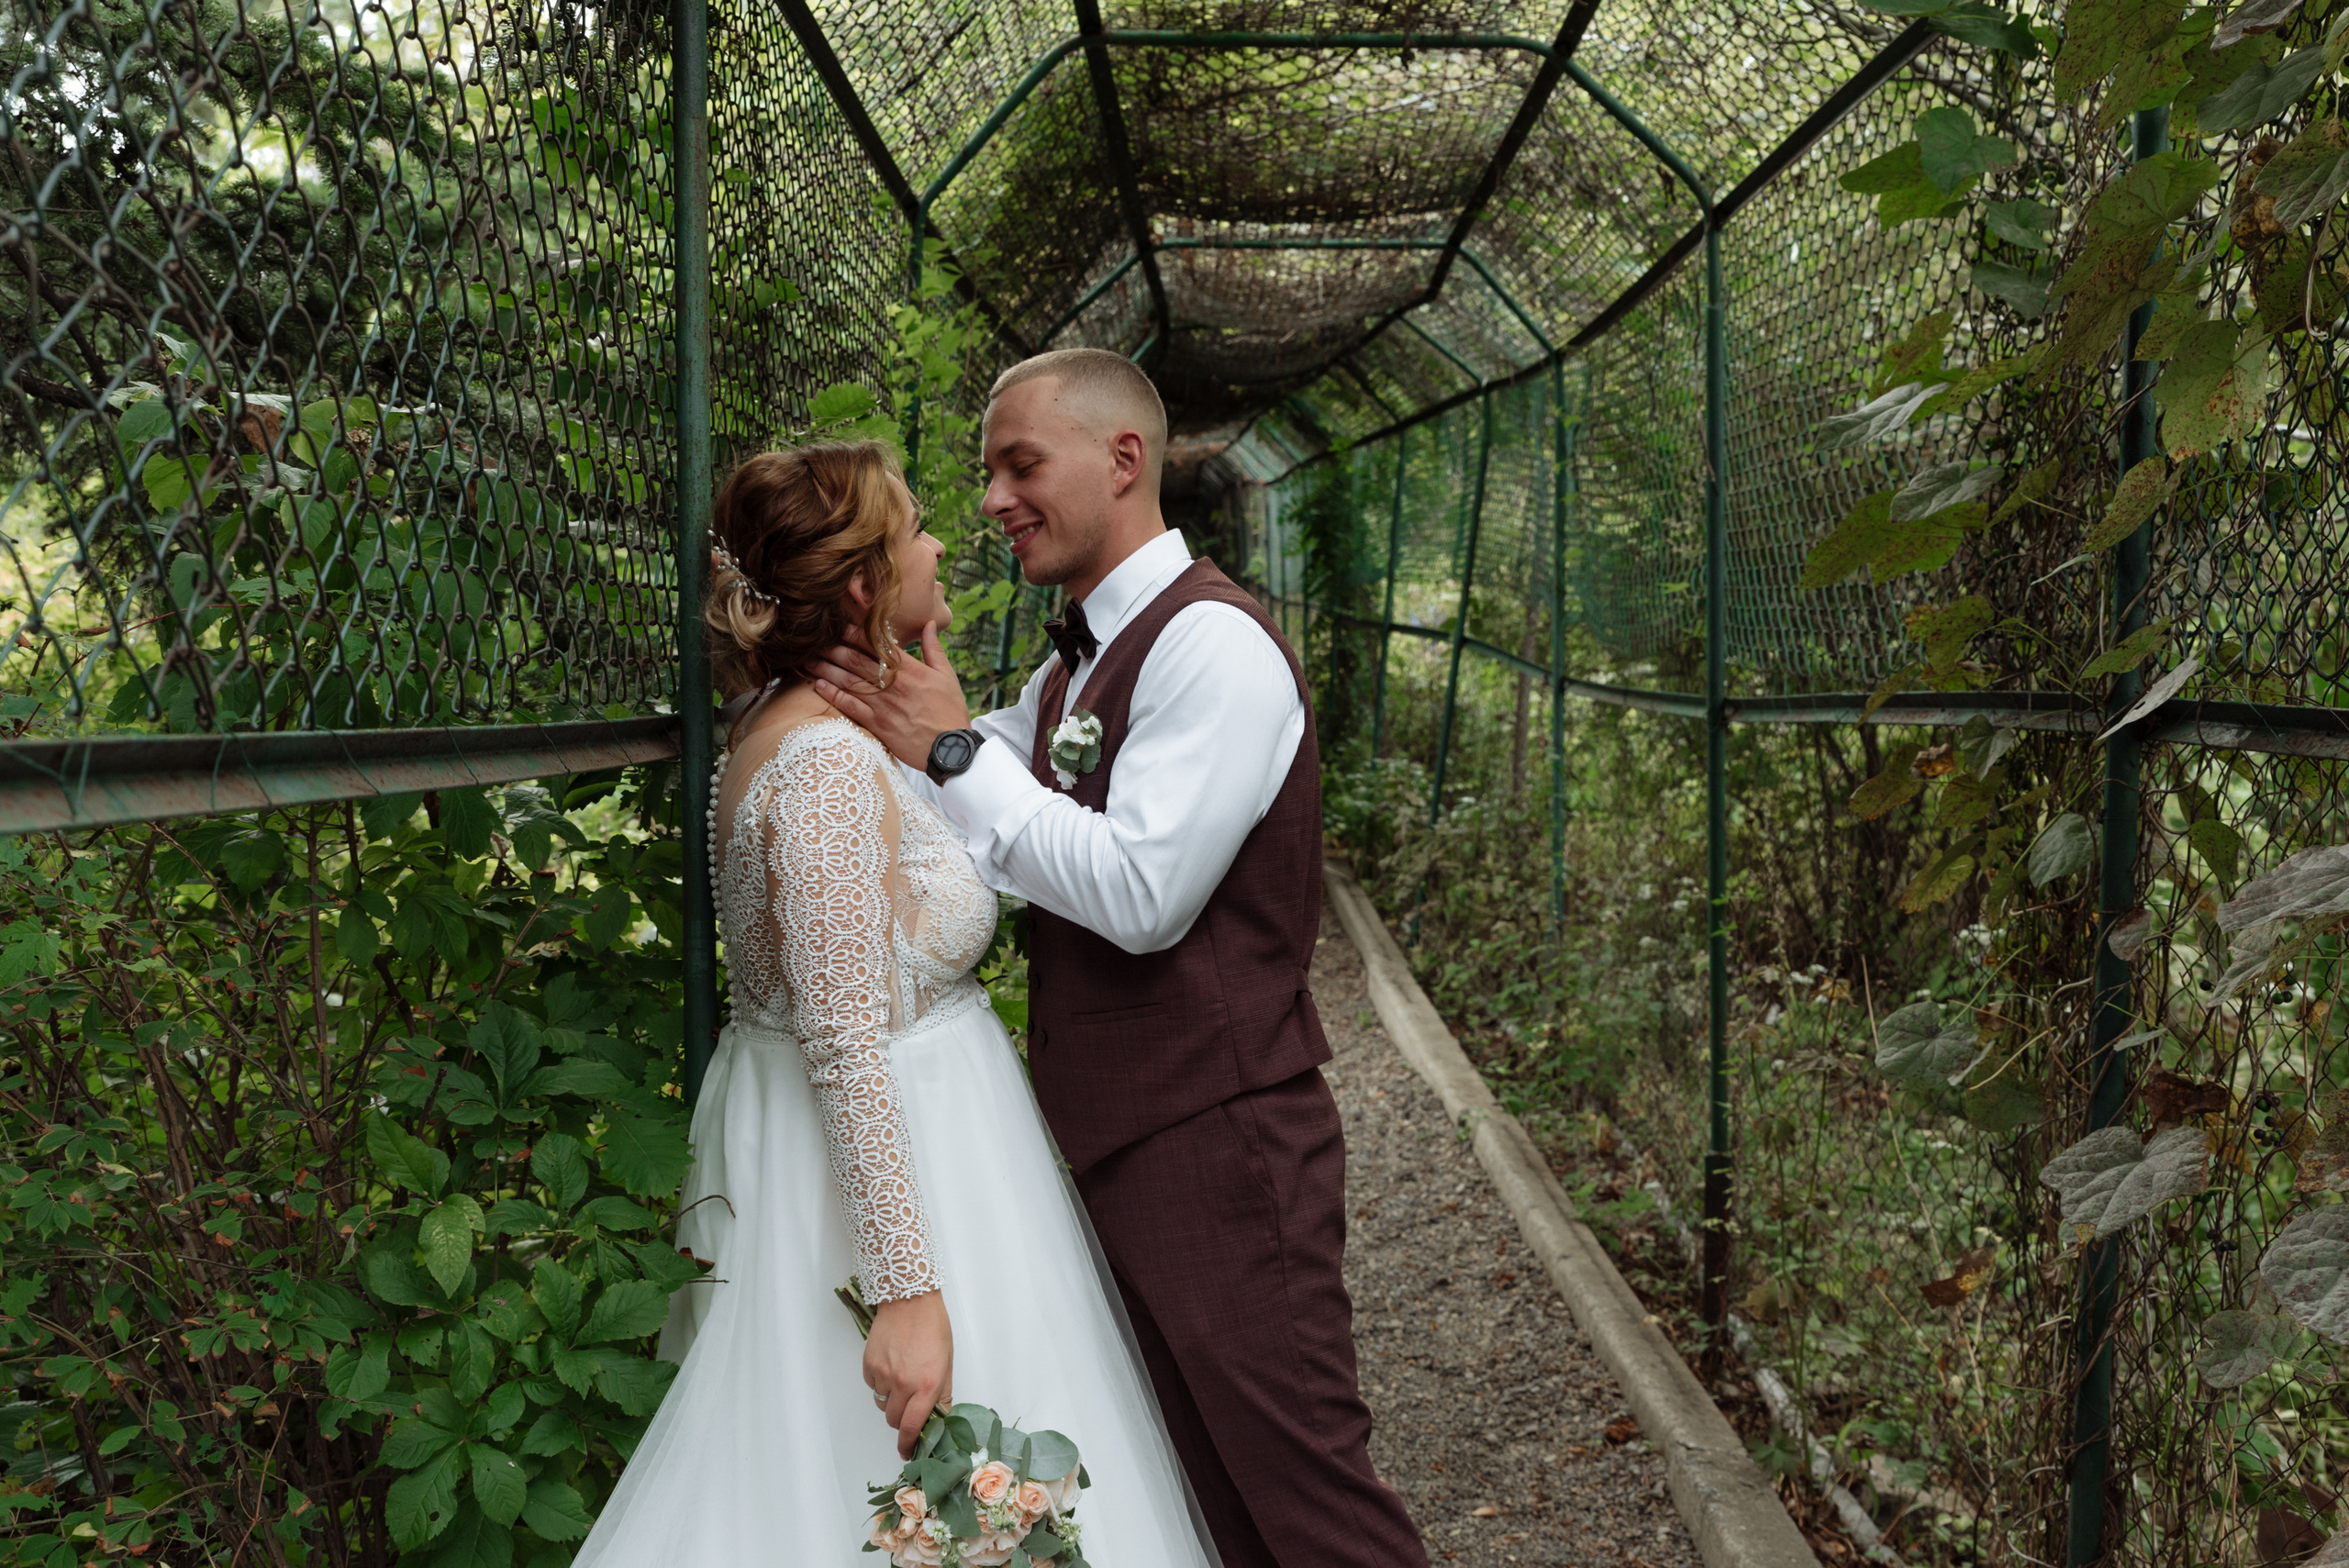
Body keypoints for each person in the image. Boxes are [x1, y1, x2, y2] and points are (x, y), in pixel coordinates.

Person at [810, 348, 1429, 1568]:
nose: (992, 499)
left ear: (1124, 461)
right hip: (1127, 1143)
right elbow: (976, 804)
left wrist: (950, 756)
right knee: (1217, 1501)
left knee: (1310, 1505)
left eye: (1019, 464)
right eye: (989, 473)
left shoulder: (1214, 648)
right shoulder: (1075, 661)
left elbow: (1143, 894)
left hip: (1221, 1139)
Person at [573, 440, 1219, 1567]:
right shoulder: (821, 763)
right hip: (898, 1176)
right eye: (914, 526)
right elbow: (842, 1037)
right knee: (886, 1494)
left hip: (895, 1146)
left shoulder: (796, 721)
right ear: (866, 584)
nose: (941, 541)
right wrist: (906, 1292)